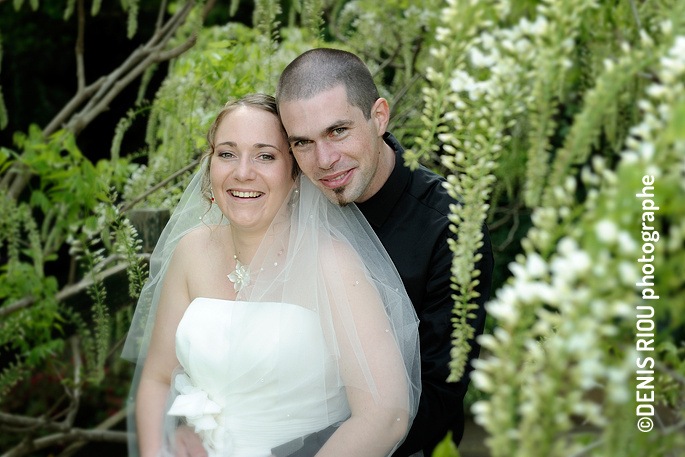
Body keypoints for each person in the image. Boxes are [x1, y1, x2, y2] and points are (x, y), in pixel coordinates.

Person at [122, 94, 421, 457]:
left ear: (295, 173)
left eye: (265, 155)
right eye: (227, 153)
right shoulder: (191, 252)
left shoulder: (332, 264)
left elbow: (385, 415)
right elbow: (155, 378)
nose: (242, 171)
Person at [274, 48, 494, 456]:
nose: (324, 160)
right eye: (302, 142)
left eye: (338, 131)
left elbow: (438, 399)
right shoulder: (283, 206)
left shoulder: (453, 229)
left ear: (378, 116)